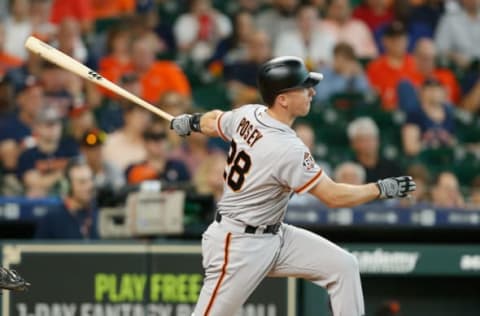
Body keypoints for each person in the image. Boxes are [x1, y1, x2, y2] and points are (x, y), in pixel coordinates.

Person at [169, 56, 416, 316]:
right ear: (283, 99)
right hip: (239, 243)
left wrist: (192, 122)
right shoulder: (286, 148)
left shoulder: (248, 114)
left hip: (275, 235)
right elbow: (333, 196)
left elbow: (215, 119)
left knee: (343, 266)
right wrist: (380, 189)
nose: (311, 91)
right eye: (303, 87)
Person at [35, 157, 99, 239]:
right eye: (82, 182)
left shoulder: (100, 212)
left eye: (91, 180)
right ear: (68, 186)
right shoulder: (52, 218)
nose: (89, 186)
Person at [366, 20, 416, 110]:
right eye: (393, 39)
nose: (397, 42)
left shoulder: (415, 63)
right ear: (385, 41)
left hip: (412, 115)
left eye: (401, 38)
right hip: (386, 115)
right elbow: (373, 96)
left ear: (407, 40)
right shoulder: (375, 66)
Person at [401, 79, 456, 157]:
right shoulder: (414, 115)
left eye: (438, 88)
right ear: (421, 92)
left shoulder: (450, 115)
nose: (435, 92)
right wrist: (430, 144)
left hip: (446, 160)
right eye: (430, 89)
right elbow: (410, 148)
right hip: (423, 161)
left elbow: (454, 143)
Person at [126, 120, 190, 185]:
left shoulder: (178, 167)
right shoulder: (134, 170)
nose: (159, 141)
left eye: (162, 136)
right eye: (153, 137)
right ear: (144, 141)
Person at [274, 5, 336, 69]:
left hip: (323, 76)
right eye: (303, 19)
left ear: (318, 20)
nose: (307, 22)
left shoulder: (327, 38)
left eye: (311, 19)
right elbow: (279, 63)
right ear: (297, 20)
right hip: (293, 76)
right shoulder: (285, 39)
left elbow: (333, 62)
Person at [348, 117, 403, 184]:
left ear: (378, 140)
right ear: (353, 143)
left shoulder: (392, 167)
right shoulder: (349, 172)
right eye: (362, 140)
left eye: (370, 139)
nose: (367, 144)